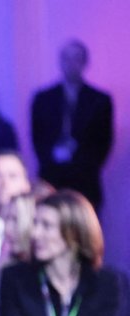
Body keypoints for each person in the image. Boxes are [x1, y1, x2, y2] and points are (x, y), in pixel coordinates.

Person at [30, 40, 114, 211]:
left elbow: (104, 141)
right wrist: (50, 160)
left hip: (85, 182)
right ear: (60, 61)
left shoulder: (99, 100)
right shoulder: (43, 98)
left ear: (84, 63)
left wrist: (83, 164)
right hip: (50, 178)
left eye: (77, 58)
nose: (71, 63)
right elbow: (37, 136)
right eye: (67, 58)